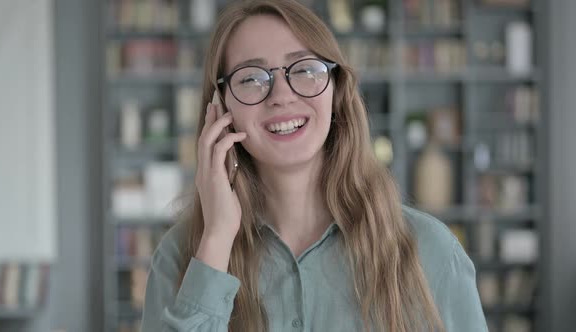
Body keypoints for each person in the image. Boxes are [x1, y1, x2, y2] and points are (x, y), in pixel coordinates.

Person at [141, 0, 487, 331]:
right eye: (251, 78)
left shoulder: (431, 250)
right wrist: (216, 238)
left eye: (304, 69)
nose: (281, 95)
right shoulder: (181, 256)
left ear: (336, 91)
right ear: (219, 106)